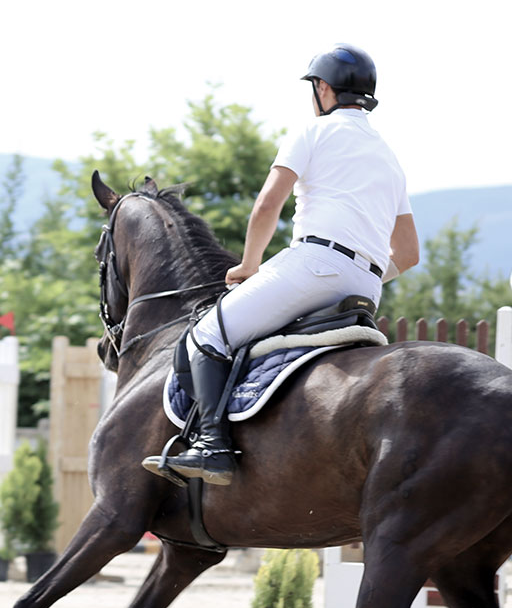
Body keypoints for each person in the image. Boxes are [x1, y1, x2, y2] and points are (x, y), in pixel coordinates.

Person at [144, 44, 420, 486]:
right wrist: (364, 273)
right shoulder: (390, 158)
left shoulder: (312, 133)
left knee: (207, 335)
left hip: (313, 265)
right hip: (367, 285)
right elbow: (408, 254)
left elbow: (267, 205)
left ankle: (212, 444)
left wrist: (250, 266)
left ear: (324, 89)